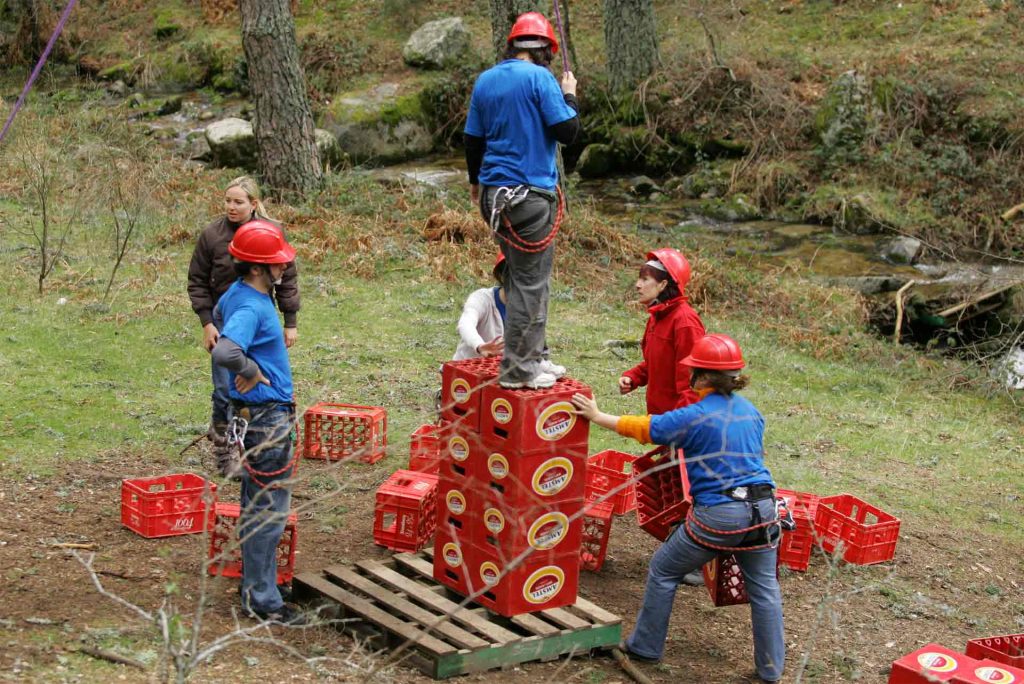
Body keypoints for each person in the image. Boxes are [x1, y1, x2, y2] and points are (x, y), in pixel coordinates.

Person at [571, 334, 785, 683]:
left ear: (700, 376)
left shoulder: (696, 414)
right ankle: (771, 670)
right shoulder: (751, 412)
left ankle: (645, 647)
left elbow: (645, 428)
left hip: (721, 513)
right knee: (764, 590)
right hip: (765, 509)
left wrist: (596, 415)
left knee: (664, 569)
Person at [464, 11, 580, 389]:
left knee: (520, 278)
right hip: (529, 198)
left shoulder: (486, 81)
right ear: (546, 50)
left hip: (494, 198)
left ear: (513, 45)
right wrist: (569, 94)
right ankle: (519, 372)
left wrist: (474, 184)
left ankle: (535, 357)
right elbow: (568, 132)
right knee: (532, 283)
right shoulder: (541, 79)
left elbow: (473, 140)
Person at [210, 220, 304, 625]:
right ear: (255, 269)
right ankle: (263, 601)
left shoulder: (235, 296)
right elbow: (225, 351)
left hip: (255, 416)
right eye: (276, 265)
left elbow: (218, 322)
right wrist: (248, 366)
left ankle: (256, 583)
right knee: (269, 509)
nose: (283, 270)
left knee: (256, 502)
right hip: (267, 419)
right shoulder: (250, 304)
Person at [188, 176, 300, 449]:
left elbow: (287, 277)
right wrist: (207, 323)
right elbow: (197, 280)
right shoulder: (212, 235)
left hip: (258, 319)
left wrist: (290, 321)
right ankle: (224, 439)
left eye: (238, 202)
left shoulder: (271, 232)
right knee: (225, 385)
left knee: (261, 382)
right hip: (223, 318)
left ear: (254, 204)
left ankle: (257, 441)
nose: (231, 207)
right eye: (228, 201)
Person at [619, 247, 706, 586]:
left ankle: (697, 562)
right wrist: (634, 377)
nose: (638, 285)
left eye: (645, 279)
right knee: (672, 491)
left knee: (689, 491)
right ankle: (680, 554)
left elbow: (693, 380)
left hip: (680, 423)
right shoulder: (657, 317)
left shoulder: (685, 322)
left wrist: (679, 425)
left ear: (665, 284)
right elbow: (654, 363)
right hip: (664, 421)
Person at [453, 253, 508, 360]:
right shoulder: (482, 298)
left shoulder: (529, 308)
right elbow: (466, 323)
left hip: (501, 372)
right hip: (465, 370)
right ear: (502, 275)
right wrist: (479, 346)